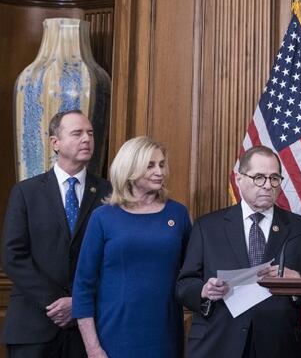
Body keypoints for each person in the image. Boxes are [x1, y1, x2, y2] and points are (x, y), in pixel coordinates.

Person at [176, 146, 301, 358]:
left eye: (274, 178)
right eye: (259, 177)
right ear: (239, 178)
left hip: (278, 345)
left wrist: (298, 281)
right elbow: (184, 285)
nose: (268, 186)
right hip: (218, 343)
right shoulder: (207, 227)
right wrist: (204, 291)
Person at [2, 110, 111, 358]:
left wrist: (79, 302)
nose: (87, 139)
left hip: (89, 329)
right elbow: (13, 255)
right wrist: (58, 302)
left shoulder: (110, 193)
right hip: (33, 325)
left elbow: (113, 259)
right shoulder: (26, 192)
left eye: (90, 133)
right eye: (77, 133)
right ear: (55, 143)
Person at [72, 136, 191, 358]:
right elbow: (83, 286)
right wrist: (93, 348)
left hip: (164, 335)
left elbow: (193, 272)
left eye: (162, 164)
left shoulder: (178, 214)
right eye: (150, 165)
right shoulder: (103, 217)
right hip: (114, 336)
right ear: (130, 168)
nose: (160, 171)